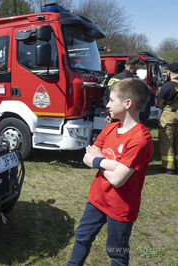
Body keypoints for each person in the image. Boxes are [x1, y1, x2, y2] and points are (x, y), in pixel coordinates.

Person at [67, 78, 154, 265]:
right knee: (82, 236)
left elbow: (116, 180)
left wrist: (99, 161)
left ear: (127, 103)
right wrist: (111, 164)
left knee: (116, 252)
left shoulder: (140, 139)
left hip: (121, 207)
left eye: (112, 100)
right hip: (97, 199)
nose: (107, 105)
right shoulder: (110, 128)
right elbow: (86, 158)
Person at [106, 56, 155, 125]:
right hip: (128, 116)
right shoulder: (133, 82)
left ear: (125, 65)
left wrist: (109, 113)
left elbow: (106, 96)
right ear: (136, 66)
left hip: (114, 114)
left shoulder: (113, 78)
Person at [156, 63, 178, 174]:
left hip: (169, 116)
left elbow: (159, 103)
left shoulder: (167, 86)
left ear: (168, 72)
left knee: (167, 141)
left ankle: (168, 166)